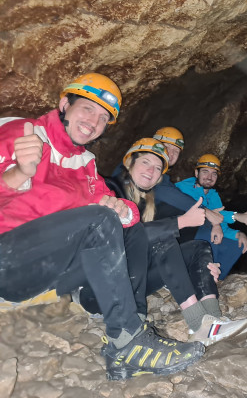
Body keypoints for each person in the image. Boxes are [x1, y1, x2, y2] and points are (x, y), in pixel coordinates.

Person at [0, 73, 203, 380]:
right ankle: (128, 341)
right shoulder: (19, 133)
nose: (93, 122)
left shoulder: (87, 164)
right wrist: (17, 175)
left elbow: (127, 217)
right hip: (9, 262)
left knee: (126, 224)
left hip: (52, 271)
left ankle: (130, 336)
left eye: (103, 117)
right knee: (100, 220)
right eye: (87, 109)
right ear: (65, 104)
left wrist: (123, 210)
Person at [79, 138, 247, 346]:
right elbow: (123, 237)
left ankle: (213, 319)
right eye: (145, 162)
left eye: (158, 168)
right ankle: (198, 323)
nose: (151, 171)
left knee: (199, 248)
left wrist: (198, 269)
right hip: (97, 293)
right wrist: (182, 221)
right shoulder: (107, 190)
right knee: (163, 236)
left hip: (132, 286)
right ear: (130, 162)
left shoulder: (146, 202)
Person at [176, 154, 247, 279]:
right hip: (180, 238)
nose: (209, 177)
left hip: (199, 236)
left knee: (236, 244)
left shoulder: (213, 196)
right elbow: (198, 211)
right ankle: (200, 278)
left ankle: (217, 279)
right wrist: (235, 216)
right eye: (205, 172)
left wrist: (238, 234)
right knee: (208, 230)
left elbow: (220, 223)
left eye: (214, 174)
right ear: (196, 173)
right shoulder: (183, 188)